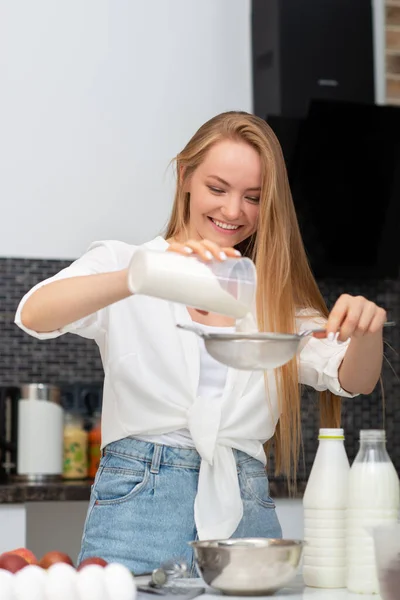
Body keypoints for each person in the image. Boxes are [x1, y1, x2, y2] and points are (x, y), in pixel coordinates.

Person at [15, 111, 387, 575]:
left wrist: (369, 331)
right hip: (137, 506)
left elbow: (352, 378)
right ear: (186, 177)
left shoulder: (274, 299)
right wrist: (139, 276)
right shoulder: (126, 264)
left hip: (245, 510)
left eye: (253, 197)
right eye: (218, 189)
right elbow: (34, 313)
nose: (234, 211)